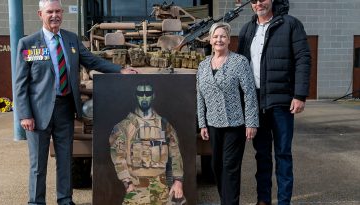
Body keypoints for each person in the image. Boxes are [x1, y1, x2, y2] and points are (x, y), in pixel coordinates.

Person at [14, 0, 138, 204]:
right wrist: (24, 114)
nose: (55, 15)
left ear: (62, 13)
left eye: (58, 11)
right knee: (38, 163)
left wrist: (119, 70)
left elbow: (92, 61)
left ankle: (65, 199)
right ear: (40, 14)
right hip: (37, 113)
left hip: (65, 108)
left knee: (65, 159)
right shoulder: (28, 44)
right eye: (50, 12)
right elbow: (20, 84)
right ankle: (36, 201)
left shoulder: (71, 40)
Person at [237, 0, 311, 204]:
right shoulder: (247, 29)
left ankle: (284, 200)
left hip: (282, 102)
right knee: (262, 156)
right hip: (256, 102)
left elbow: (303, 59)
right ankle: (263, 200)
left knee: (283, 155)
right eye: (254, 0)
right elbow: (240, 66)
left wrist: (299, 95)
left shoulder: (290, 24)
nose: (258, 3)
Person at [196, 22, 259, 205]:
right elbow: (200, 97)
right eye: (215, 36)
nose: (219, 40)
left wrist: (251, 122)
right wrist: (202, 123)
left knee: (230, 167)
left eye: (223, 36)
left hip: (235, 123)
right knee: (217, 166)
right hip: (213, 124)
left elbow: (249, 93)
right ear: (210, 40)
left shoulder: (239, 62)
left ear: (229, 40)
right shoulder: (203, 65)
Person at [109, 83, 185, 205]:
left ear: (153, 96)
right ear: (136, 96)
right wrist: (127, 183)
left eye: (148, 94)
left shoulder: (164, 125)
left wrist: (178, 181)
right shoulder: (124, 126)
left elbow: (175, 154)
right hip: (136, 187)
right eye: (140, 94)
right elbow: (118, 156)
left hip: (161, 186)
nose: (144, 97)